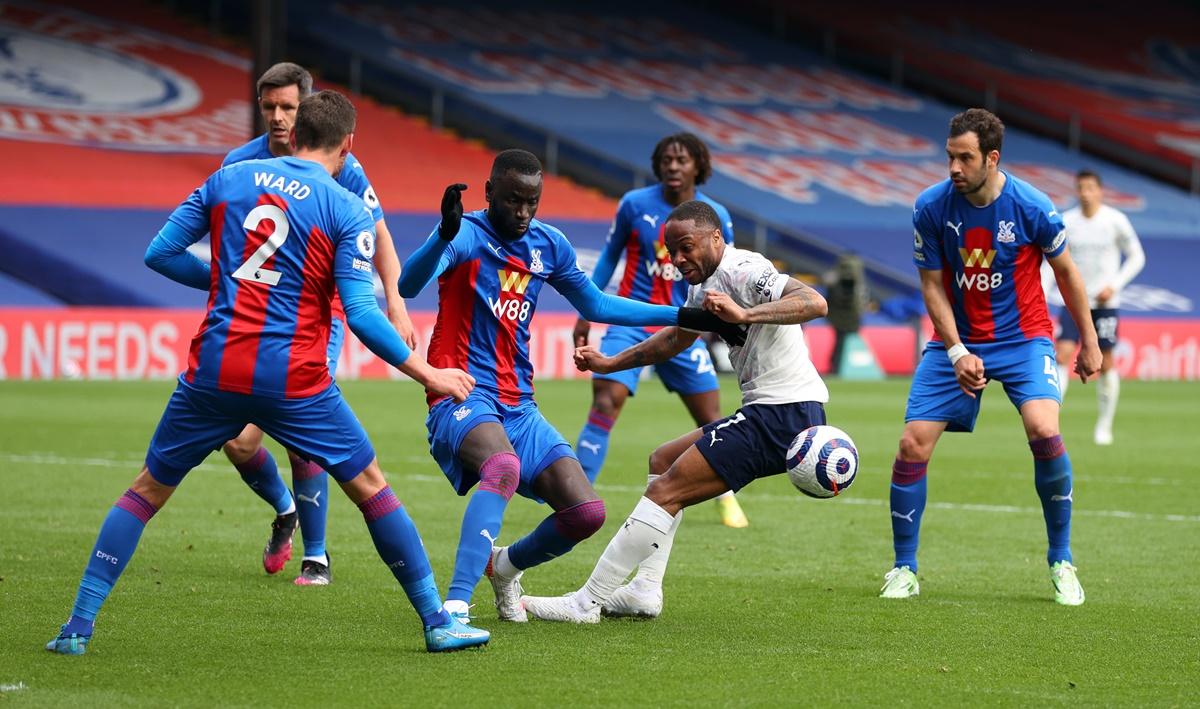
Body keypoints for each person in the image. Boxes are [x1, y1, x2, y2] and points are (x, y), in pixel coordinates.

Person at [46, 91, 488, 655]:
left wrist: (228, 282)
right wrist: (428, 373)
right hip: (294, 377)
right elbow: (360, 315)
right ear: (349, 145)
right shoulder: (345, 207)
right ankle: (436, 621)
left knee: (147, 490)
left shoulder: (231, 176)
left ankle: (77, 628)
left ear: (294, 129)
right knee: (371, 486)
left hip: (215, 368)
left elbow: (160, 253)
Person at [397, 151, 742, 625]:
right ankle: (454, 605)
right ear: (489, 192)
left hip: (519, 402)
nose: (522, 213)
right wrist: (443, 234)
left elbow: (597, 303)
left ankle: (504, 566)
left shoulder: (547, 244)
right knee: (502, 468)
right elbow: (407, 284)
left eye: (531, 202)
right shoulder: (466, 235)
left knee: (586, 513)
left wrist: (681, 315)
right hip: (460, 390)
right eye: (513, 201)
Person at [519, 199, 828, 622]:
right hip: (773, 410)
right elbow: (672, 341)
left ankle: (586, 602)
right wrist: (610, 363)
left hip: (783, 413)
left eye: (686, 247)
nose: (677, 260)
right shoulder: (702, 287)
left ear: (716, 238)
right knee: (662, 461)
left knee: (665, 492)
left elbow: (814, 302)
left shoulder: (744, 269)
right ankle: (645, 589)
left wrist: (746, 313)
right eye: (671, 252)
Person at [879, 108, 1101, 606]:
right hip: (955, 340)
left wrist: (1088, 341)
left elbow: (1067, 275)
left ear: (992, 158)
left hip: (1024, 340)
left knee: (1045, 430)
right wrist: (956, 349)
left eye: (965, 158)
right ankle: (903, 568)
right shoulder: (930, 208)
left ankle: (1062, 559)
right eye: (950, 157)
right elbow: (931, 287)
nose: (954, 168)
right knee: (912, 443)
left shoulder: (1033, 207)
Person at [219, 62, 416, 586]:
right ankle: (285, 508)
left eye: (287, 107)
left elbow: (381, 236)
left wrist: (394, 302)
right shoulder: (239, 164)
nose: (278, 117)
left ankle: (317, 554)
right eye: (269, 107)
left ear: (305, 109)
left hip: (314, 321)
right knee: (238, 443)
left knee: (303, 438)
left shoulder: (344, 165)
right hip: (253, 323)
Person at [572, 133, 751, 530]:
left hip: (683, 324)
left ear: (697, 166)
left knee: (711, 416)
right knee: (605, 399)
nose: (673, 166)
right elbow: (609, 257)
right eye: (667, 159)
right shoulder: (634, 204)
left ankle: (726, 497)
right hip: (632, 322)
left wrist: (723, 316)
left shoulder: (715, 214)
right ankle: (578, 494)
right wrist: (588, 306)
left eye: (681, 160)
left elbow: (728, 269)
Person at [1054, 169, 1145, 445]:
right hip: (1073, 301)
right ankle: (1051, 420)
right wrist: (1051, 290)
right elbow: (1054, 258)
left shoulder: (1115, 221)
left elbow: (1137, 257)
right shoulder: (1067, 221)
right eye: (1080, 187)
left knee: (1106, 361)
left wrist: (1114, 286)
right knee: (1062, 354)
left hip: (1104, 303)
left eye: (1090, 188)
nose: (1085, 193)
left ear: (1100, 191)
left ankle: (1104, 426)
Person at [824, 252, 872, 375]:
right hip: (851, 316)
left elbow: (831, 295)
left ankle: (836, 366)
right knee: (842, 342)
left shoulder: (834, 277)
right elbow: (858, 299)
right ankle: (840, 367)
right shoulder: (857, 280)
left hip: (837, 316)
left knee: (840, 342)